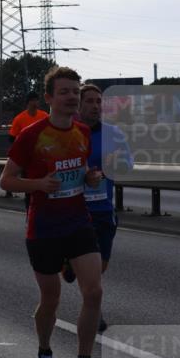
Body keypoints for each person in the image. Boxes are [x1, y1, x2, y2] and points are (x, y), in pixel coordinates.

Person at [0, 66, 111, 358]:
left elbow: (82, 168)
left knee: (94, 292)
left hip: (78, 220)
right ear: (49, 97)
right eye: (64, 92)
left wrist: (90, 177)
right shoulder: (31, 135)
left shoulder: (82, 132)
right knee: (51, 298)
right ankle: (45, 353)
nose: (72, 97)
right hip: (44, 227)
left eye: (75, 92)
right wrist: (38, 184)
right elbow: (7, 179)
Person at [62, 83, 134, 332]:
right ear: (79, 106)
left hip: (103, 208)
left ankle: (70, 263)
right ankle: (95, 310)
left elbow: (128, 164)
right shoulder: (69, 132)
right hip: (76, 210)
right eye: (89, 101)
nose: (95, 106)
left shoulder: (113, 133)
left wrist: (112, 166)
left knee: (102, 264)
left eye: (98, 101)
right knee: (91, 268)